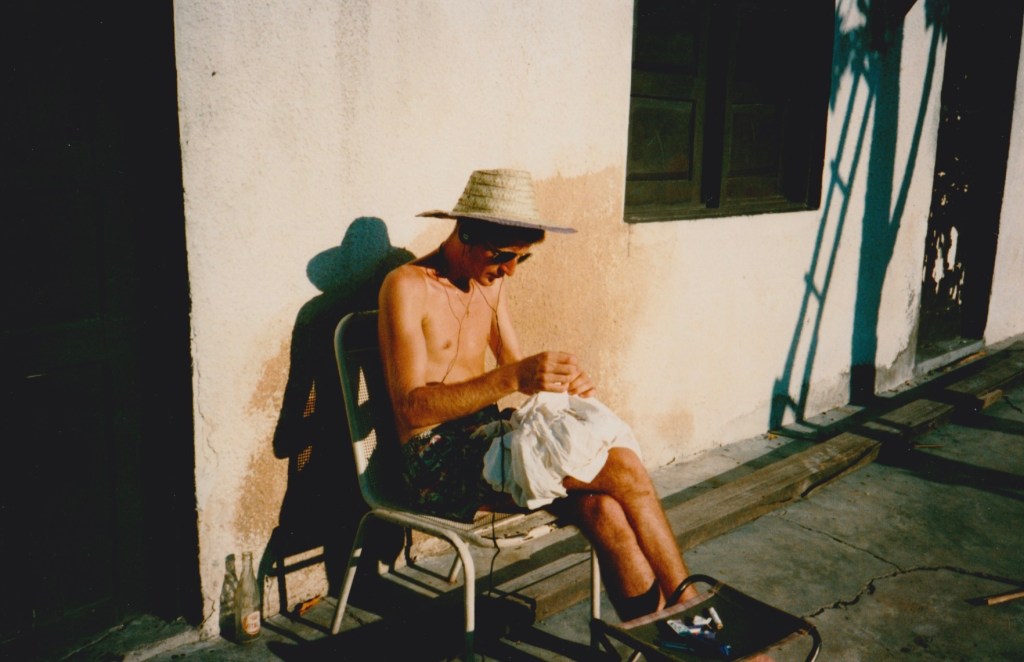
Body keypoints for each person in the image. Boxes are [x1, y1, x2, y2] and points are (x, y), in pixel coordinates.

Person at [377, 168, 698, 620]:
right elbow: (411, 408)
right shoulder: (407, 287)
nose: (509, 269)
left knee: (603, 509)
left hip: (488, 444)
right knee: (623, 469)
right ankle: (694, 614)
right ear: (465, 233)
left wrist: (562, 382)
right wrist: (514, 377)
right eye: (503, 256)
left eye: (521, 259)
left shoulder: (491, 282)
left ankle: (667, 635)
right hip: (434, 462)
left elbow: (518, 368)